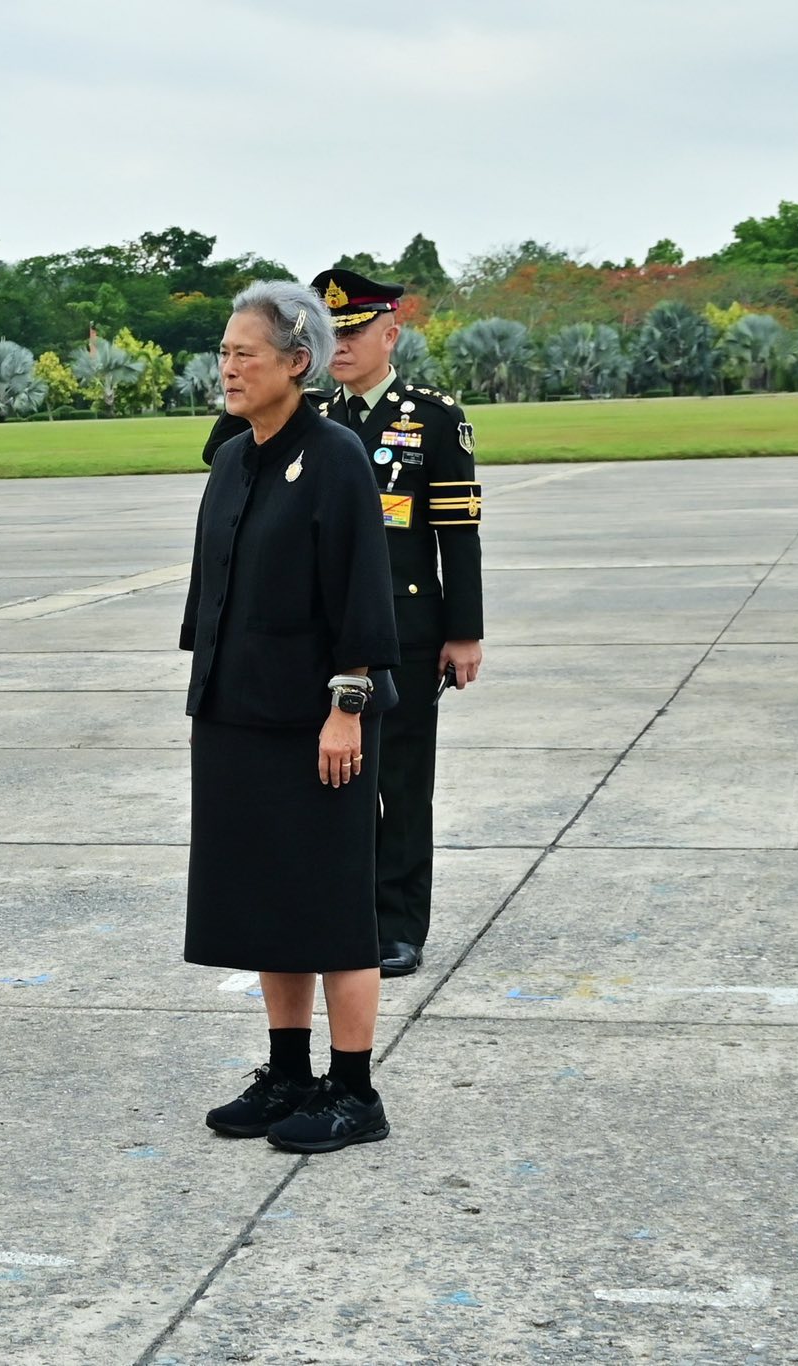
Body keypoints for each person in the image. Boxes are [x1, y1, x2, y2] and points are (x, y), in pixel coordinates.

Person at [181, 280, 401, 1154]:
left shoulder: (336, 455)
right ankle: (289, 1073)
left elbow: (361, 593)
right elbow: (214, 591)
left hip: (319, 722)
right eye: (224, 354)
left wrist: (347, 709)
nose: (228, 369)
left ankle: (354, 1090)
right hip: (237, 712)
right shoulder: (234, 456)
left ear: (297, 362)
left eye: (245, 355)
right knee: (267, 899)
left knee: (332, 905)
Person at [311, 269, 485, 977]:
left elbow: (458, 534)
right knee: (335, 778)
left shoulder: (431, 417)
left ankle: (400, 924)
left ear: (391, 334)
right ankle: (344, 910)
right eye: (330, 335)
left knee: (403, 782)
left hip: (407, 625)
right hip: (328, 632)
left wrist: (464, 631)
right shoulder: (313, 416)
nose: (340, 346)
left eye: (353, 333)